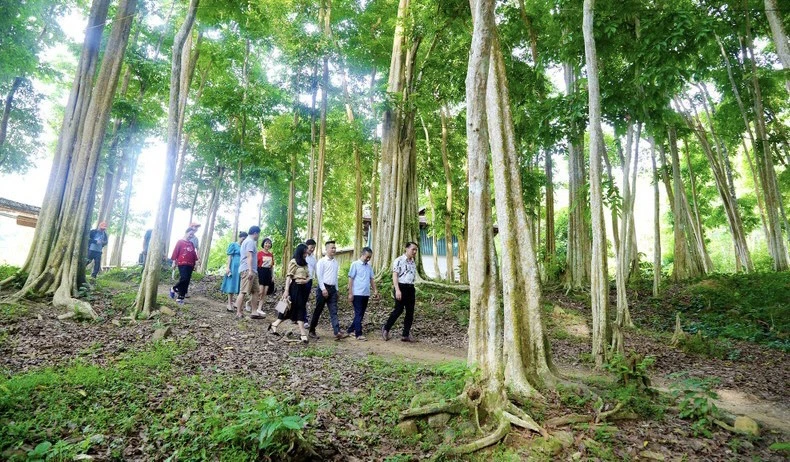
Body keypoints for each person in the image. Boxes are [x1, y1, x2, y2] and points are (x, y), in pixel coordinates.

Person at [269, 243, 311, 344]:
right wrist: (286, 290)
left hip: (303, 288)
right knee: (287, 307)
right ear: (301, 252)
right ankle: (302, 333)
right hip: (294, 288)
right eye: (305, 252)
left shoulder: (305, 263)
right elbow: (289, 276)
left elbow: (309, 276)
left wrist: (305, 281)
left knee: (299, 307)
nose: (306, 254)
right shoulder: (293, 262)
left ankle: (275, 324)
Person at [382, 242, 419, 342]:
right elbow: (395, 275)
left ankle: (405, 334)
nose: (414, 252)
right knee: (398, 310)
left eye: (416, 250)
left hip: (410, 288)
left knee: (410, 312)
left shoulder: (413, 262)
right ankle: (386, 329)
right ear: (406, 249)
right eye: (413, 249)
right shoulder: (399, 260)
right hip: (401, 287)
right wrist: (397, 290)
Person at [309, 240, 345, 340]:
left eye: (335, 248)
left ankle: (337, 331)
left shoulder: (336, 262)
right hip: (322, 288)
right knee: (318, 310)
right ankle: (312, 330)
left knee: (334, 311)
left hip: (332, 289)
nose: (334, 249)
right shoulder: (321, 261)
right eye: (332, 248)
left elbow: (335, 277)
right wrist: (323, 289)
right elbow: (319, 276)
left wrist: (337, 290)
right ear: (327, 249)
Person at [346, 247, 379, 340]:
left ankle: (350, 330)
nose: (368, 259)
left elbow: (371, 279)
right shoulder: (355, 264)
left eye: (370, 257)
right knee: (359, 313)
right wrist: (350, 293)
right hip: (357, 293)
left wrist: (375, 290)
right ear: (362, 254)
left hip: (366, 293)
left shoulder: (369, 267)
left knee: (360, 314)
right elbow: (351, 279)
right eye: (367, 257)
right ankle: (358, 334)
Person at [234, 226, 261, 319]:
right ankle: (238, 312)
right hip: (247, 270)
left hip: (253, 270)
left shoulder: (249, 241)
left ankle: (254, 312)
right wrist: (249, 270)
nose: (258, 236)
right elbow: (249, 256)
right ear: (255, 233)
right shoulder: (249, 241)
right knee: (243, 291)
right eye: (258, 234)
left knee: (256, 291)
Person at [169, 228, 199, 304]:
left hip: (191, 264)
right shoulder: (180, 242)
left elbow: (194, 254)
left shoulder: (191, 244)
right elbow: (175, 252)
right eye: (190, 234)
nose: (191, 236)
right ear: (186, 232)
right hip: (182, 263)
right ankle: (174, 288)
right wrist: (173, 262)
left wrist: (195, 264)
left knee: (187, 281)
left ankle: (180, 298)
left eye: (193, 235)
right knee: (184, 278)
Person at [221, 231, 247, 312]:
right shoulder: (233, 245)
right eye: (243, 238)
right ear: (241, 237)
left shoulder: (244, 247)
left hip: (241, 267)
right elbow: (229, 257)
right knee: (231, 284)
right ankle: (229, 303)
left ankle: (237, 303)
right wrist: (228, 267)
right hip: (233, 267)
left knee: (240, 285)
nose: (243, 240)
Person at [255, 237, 275, 317]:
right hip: (260, 272)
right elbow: (256, 264)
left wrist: (273, 276)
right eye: (266, 243)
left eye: (269, 243)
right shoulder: (259, 253)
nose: (268, 244)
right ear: (263, 244)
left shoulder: (271, 255)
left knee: (265, 292)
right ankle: (250, 303)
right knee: (260, 291)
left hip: (268, 273)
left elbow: (272, 266)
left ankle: (259, 308)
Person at [303, 239, 317, 324]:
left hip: (308, 281)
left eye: (314, 248)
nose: (312, 249)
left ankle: (304, 319)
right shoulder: (300, 255)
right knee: (288, 296)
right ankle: (280, 314)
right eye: (311, 247)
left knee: (304, 299)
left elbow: (317, 270)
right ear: (306, 246)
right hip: (298, 279)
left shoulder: (313, 258)